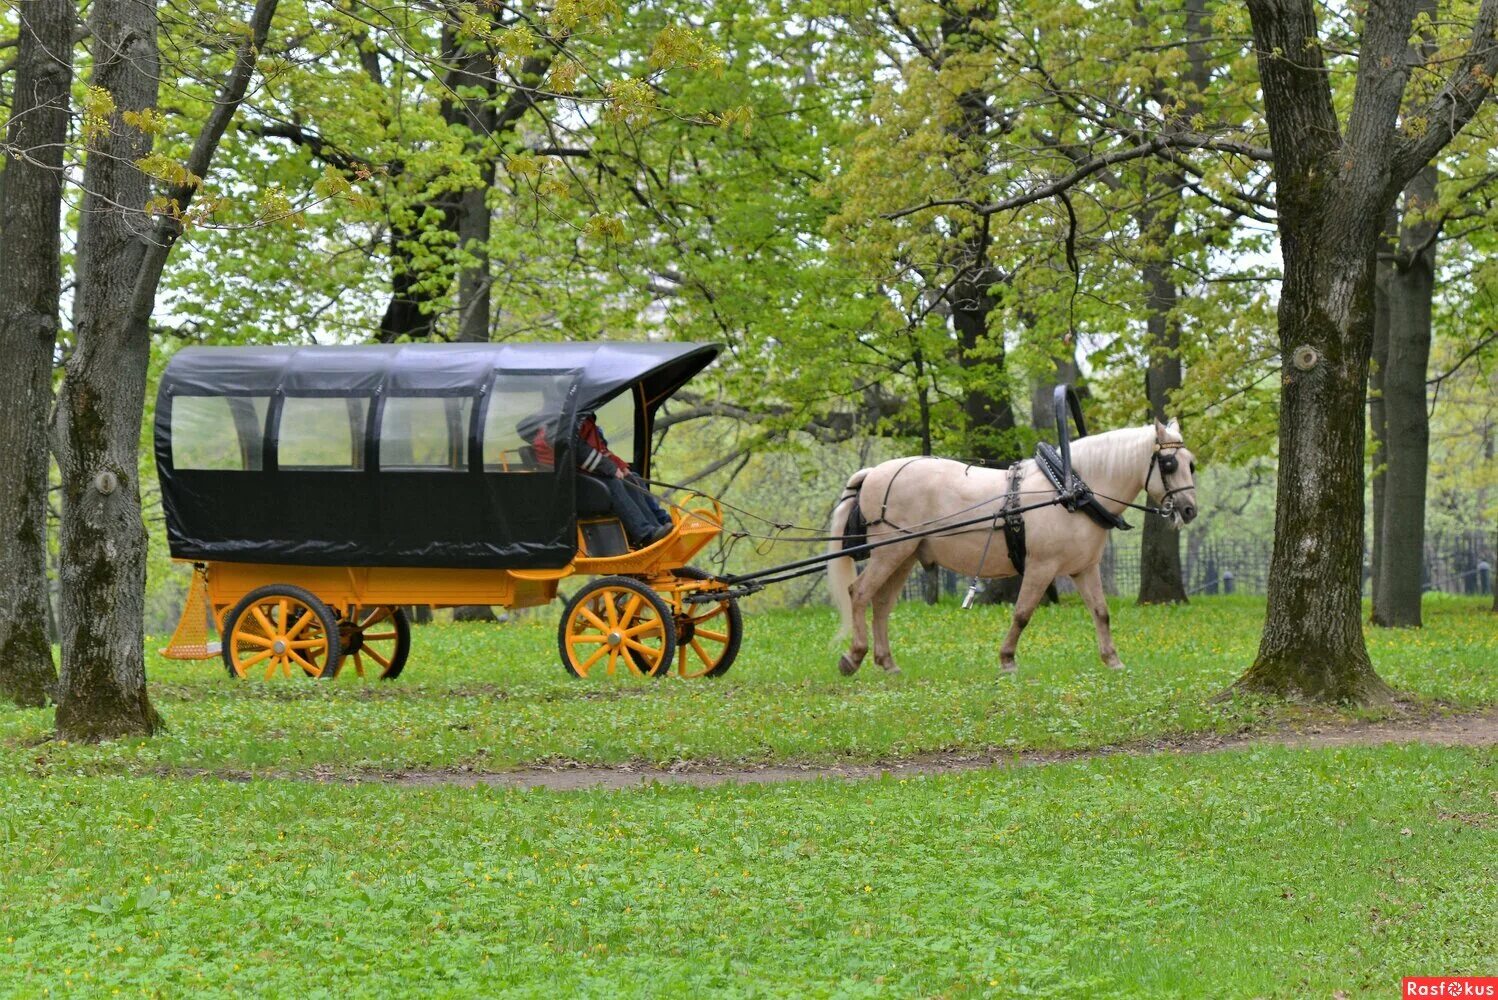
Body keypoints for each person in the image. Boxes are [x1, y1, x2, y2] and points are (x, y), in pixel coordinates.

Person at [528, 409, 673, 548]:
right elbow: (580, 453)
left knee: (632, 478)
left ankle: (658, 525)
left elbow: (601, 451)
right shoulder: (559, 426)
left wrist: (621, 466)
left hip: (577, 477)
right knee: (612, 483)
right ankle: (644, 534)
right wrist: (610, 469)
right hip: (565, 487)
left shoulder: (580, 422)